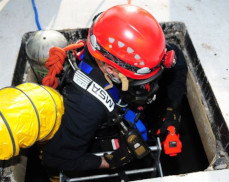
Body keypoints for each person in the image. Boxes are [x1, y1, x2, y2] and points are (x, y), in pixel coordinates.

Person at [42, 4, 187, 176]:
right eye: (137, 78)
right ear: (111, 69)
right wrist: (108, 161)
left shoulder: (135, 51)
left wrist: (172, 109)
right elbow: (56, 157)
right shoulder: (85, 106)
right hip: (102, 129)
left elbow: (176, 60)